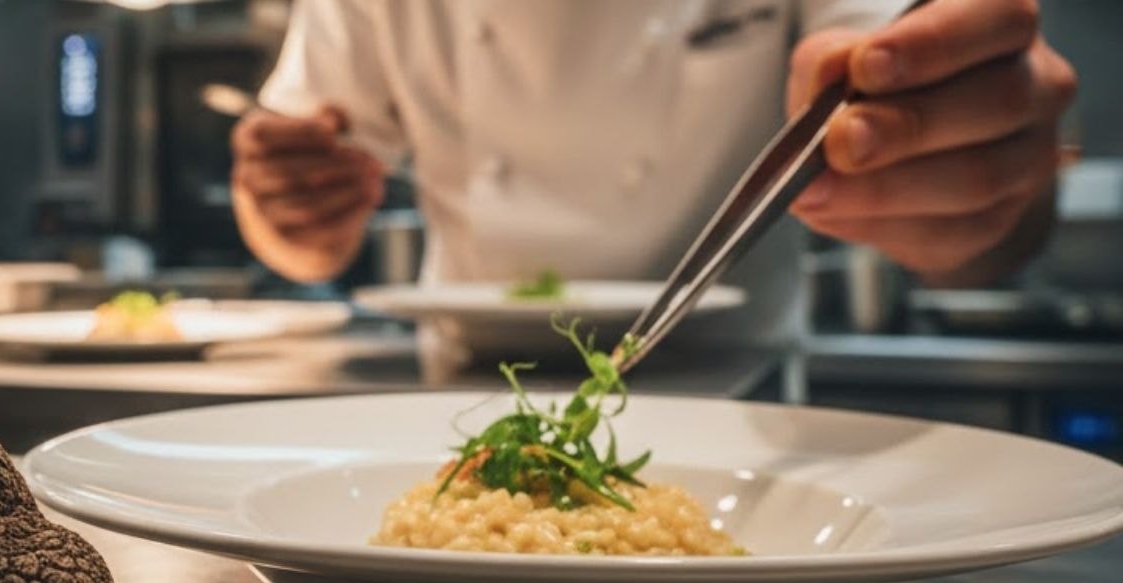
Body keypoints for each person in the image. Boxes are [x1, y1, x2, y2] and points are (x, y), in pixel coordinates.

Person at [232, 0, 1077, 343]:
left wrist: (985, 186)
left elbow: (981, 211)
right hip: (453, 397)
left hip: (744, 408)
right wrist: (289, 211)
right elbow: (300, 244)